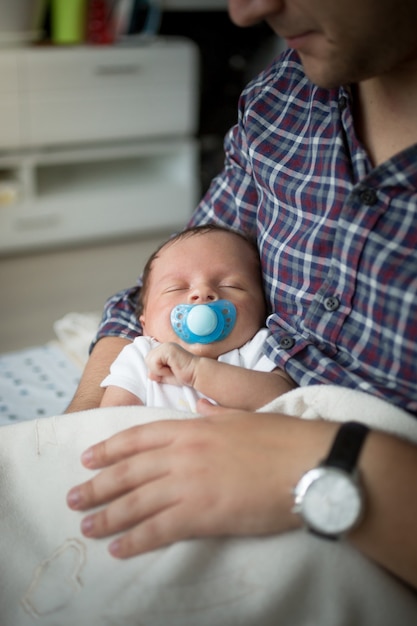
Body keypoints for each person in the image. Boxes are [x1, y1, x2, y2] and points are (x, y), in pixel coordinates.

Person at [66, 0, 417, 594]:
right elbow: (177, 272)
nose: (246, 11)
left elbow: (270, 386)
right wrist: (77, 433)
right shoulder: (283, 97)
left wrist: (320, 468)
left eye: (228, 290)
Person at [99, 225, 295, 411]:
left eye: (231, 285)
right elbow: (113, 419)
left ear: (262, 310)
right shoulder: (141, 356)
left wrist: (196, 372)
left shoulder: (259, 349)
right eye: (176, 287)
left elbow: (284, 400)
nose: (202, 293)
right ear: (145, 324)